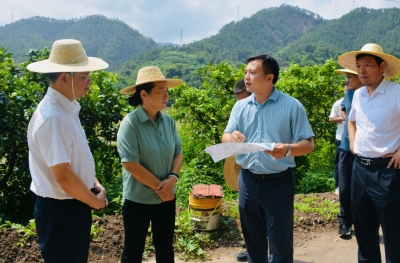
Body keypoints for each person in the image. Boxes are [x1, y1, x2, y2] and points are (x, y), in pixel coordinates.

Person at [222, 54, 314, 263]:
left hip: (279, 182)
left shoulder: (292, 106)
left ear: (269, 78)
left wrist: (288, 149)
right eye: (246, 72)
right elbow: (226, 136)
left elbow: (308, 144)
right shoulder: (241, 106)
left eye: (252, 72)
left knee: (280, 244)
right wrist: (232, 137)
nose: (246, 77)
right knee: (254, 244)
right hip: (247, 181)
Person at [26, 39, 109, 263]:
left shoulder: (66, 109)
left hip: (70, 205)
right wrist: (95, 202)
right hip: (62, 211)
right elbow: (62, 175)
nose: (90, 81)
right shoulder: (54, 117)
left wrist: (93, 182)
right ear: (65, 77)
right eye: (84, 76)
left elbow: (72, 159)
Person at [338, 43, 400, 262]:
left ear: (382, 66)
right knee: (364, 230)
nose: (361, 71)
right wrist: (354, 144)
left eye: (367, 65)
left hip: (388, 171)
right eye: (358, 66)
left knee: (393, 231)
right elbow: (352, 121)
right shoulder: (358, 95)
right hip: (359, 170)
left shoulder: (396, 93)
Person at [117, 66, 183, 263]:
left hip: (166, 197)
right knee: (133, 251)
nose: (166, 96)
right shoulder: (130, 124)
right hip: (139, 200)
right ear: (144, 94)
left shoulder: (169, 122)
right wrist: (161, 189)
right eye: (160, 91)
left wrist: (173, 178)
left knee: (165, 247)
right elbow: (131, 164)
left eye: (167, 91)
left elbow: (178, 153)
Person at [334, 68, 363, 238]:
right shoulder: (350, 94)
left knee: (362, 189)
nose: (347, 81)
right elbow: (344, 109)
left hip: (365, 150)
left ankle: (362, 223)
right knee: (344, 187)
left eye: (350, 77)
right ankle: (345, 222)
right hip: (346, 146)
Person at [232, 79, 252, 262]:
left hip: (270, 172)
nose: (240, 103)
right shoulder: (239, 109)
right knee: (247, 213)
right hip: (246, 170)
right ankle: (251, 248)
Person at [328, 82, 347, 194]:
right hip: (340, 137)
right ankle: (337, 186)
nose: (348, 90)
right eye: (346, 88)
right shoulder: (338, 103)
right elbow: (331, 119)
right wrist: (344, 119)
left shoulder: (357, 101)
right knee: (338, 163)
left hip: (354, 137)